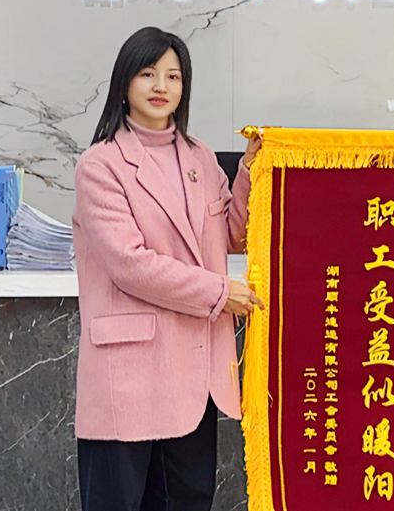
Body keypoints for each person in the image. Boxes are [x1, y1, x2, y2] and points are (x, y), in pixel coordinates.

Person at [73, 26, 263, 511]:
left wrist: (250, 169)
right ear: (124, 82)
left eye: (173, 76)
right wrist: (219, 293)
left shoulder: (200, 157)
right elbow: (129, 264)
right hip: (130, 376)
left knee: (188, 500)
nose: (161, 86)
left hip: (195, 377)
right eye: (148, 73)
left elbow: (232, 234)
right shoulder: (100, 165)